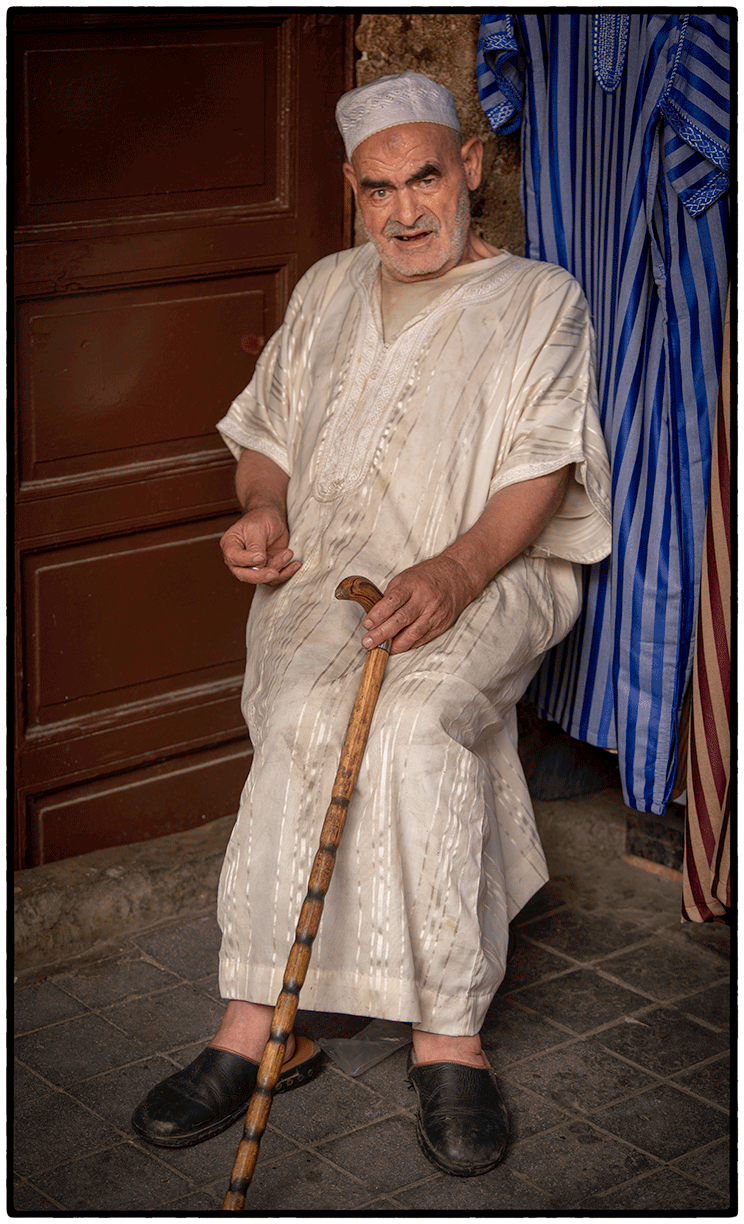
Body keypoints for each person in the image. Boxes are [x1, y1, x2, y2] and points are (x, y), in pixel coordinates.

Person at [132, 71, 611, 1177]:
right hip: (330, 572)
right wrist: (258, 507)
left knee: (413, 725)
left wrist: (453, 570)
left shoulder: (542, 298)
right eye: (380, 190)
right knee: (303, 716)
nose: (405, 211)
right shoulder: (328, 288)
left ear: (471, 169)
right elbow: (269, 438)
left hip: (493, 568)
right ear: (352, 190)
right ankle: (259, 1023)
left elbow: (542, 470)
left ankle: (450, 1038)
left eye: (427, 178)